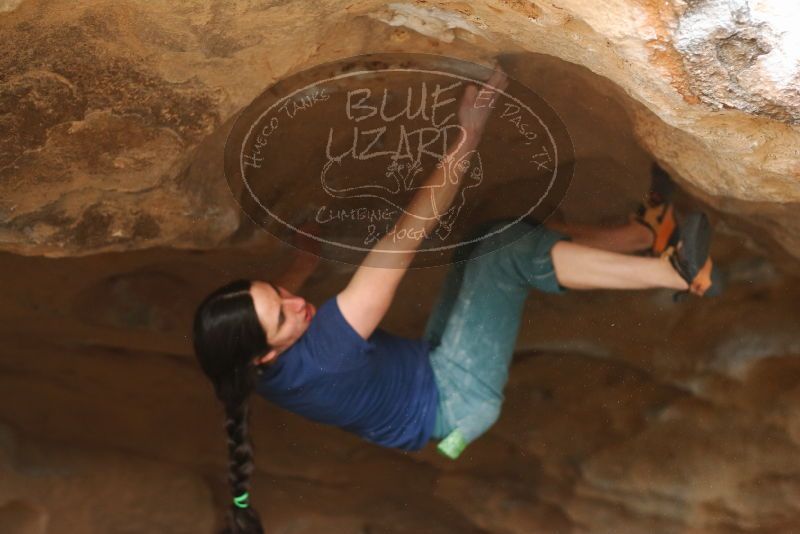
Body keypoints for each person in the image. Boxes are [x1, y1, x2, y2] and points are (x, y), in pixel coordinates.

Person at [192, 66, 719, 534]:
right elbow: (406, 236)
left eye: (279, 295)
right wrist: (468, 135)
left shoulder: (246, 370)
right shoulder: (326, 348)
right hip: (455, 398)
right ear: (265, 354)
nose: (294, 304)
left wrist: (300, 266)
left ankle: (640, 234)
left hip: (429, 385)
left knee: (493, 233)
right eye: (281, 316)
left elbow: (274, 308)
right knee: (502, 254)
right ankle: (676, 272)